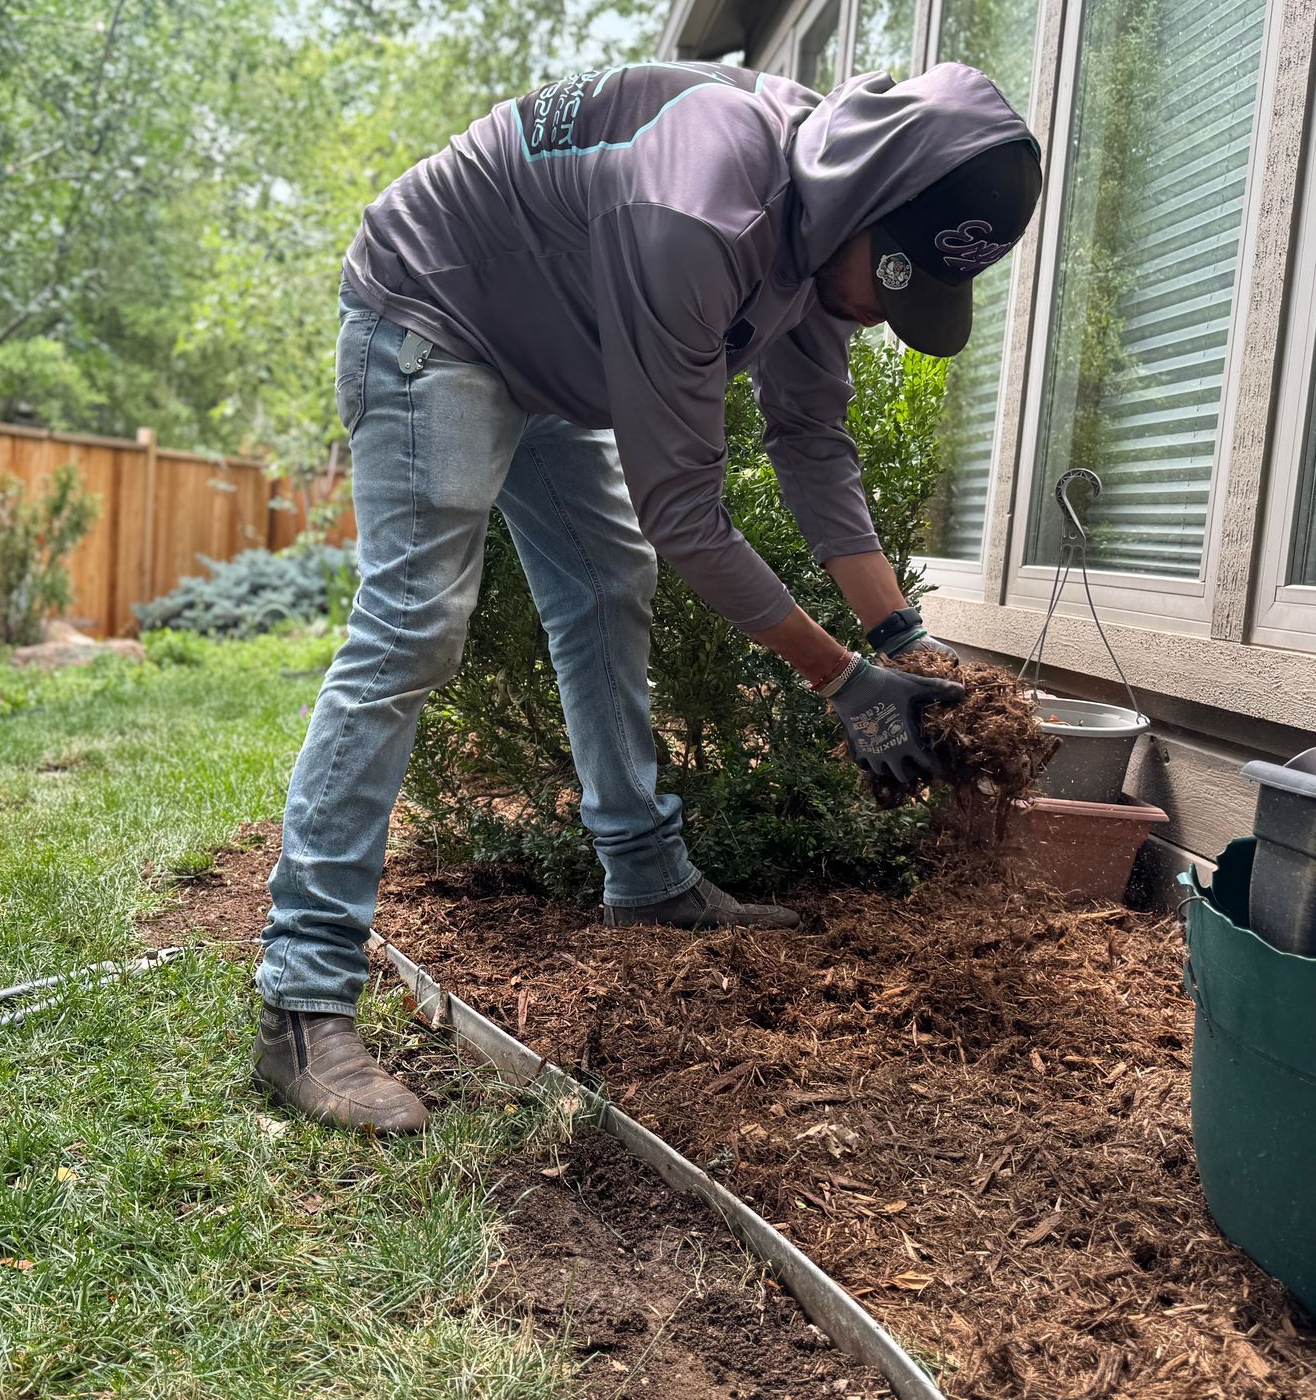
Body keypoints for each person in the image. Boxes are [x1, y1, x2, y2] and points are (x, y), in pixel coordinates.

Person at [253, 61, 1043, 1133]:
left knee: (603, 585)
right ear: (860, 195)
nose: (878, 305)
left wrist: (904, 643)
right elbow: (686, 516)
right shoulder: (698, 206)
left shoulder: (816, 242)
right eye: (891, 270)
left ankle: (646, 876)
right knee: (415, 629)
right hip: (433, 317)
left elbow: (811, 442)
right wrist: (842, 681)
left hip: (550, 356)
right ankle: (302, 1003)